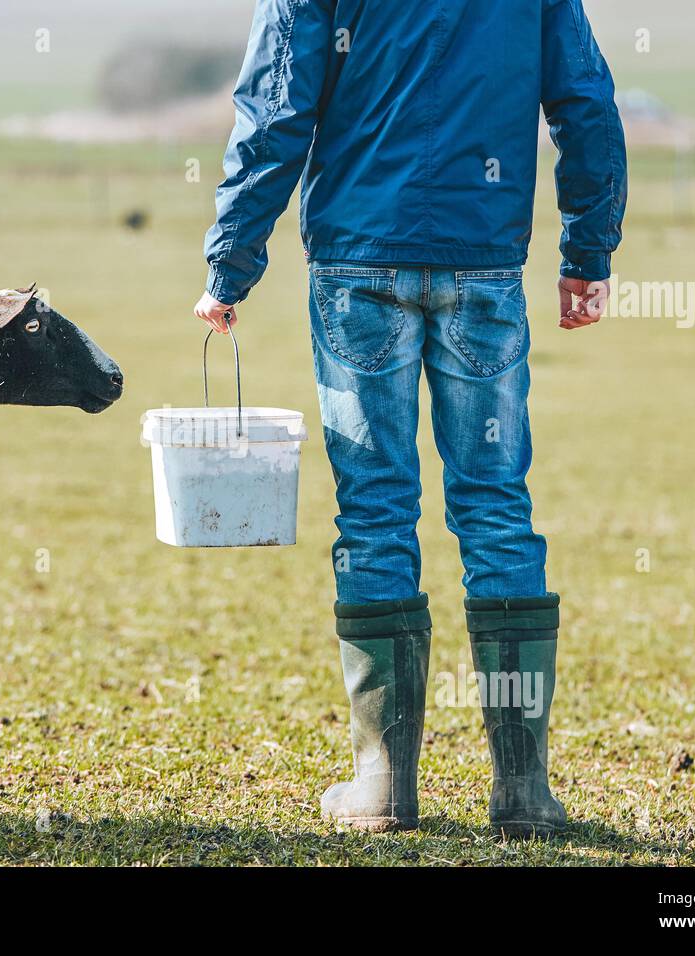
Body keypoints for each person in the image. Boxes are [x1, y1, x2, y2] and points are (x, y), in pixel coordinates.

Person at [194, 0, 626, 838]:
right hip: (485, 265)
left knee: (375, 509)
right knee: (497, 506)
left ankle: (384, 786)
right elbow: (585, 100)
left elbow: (276, 109)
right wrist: (588, 252)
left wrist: (230, 263)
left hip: (359, 264)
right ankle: (524, 792)